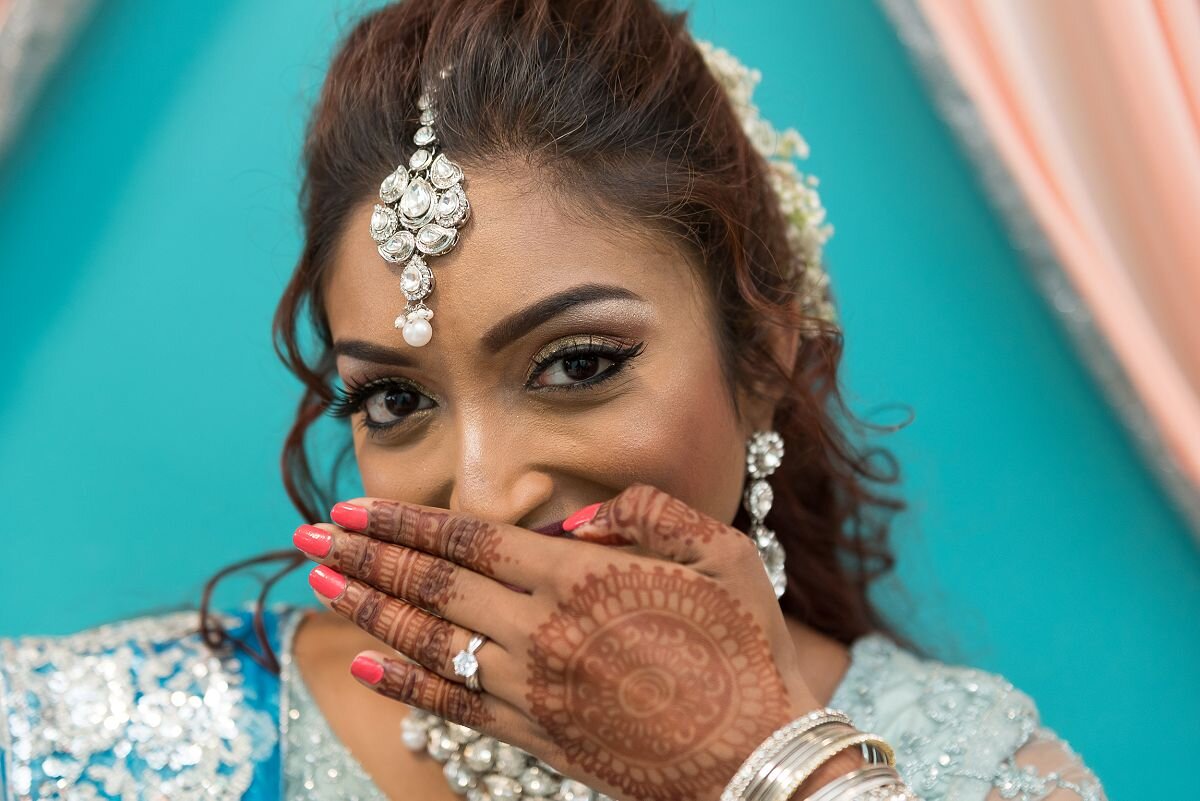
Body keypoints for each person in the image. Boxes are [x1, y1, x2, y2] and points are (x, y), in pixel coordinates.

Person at [0, 1, 1109, 800]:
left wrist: (770, 772)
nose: (482, 490)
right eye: (392, 399)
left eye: (576, 364)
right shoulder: (127, 743)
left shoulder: (980, 772)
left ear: (763, 356)